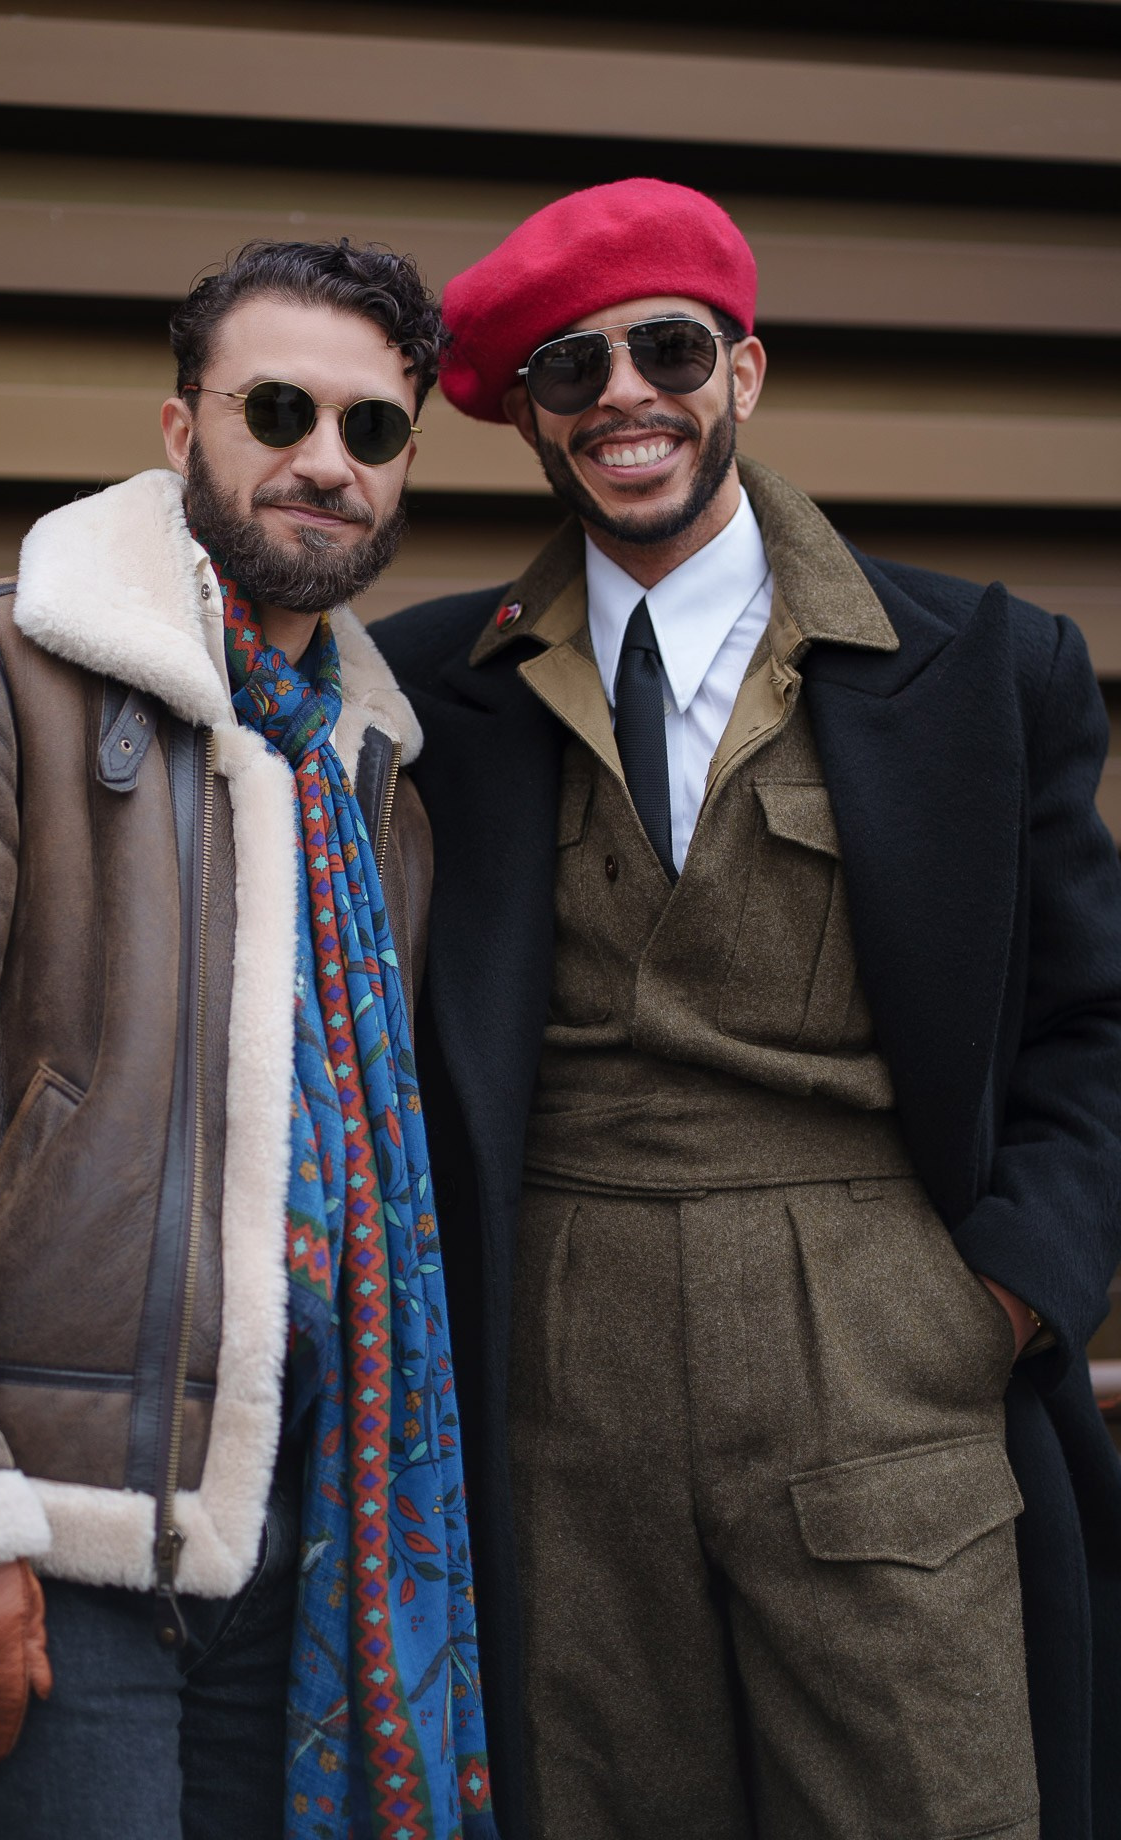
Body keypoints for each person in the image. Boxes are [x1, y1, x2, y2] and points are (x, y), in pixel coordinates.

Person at [370, 179, 1121, 1840]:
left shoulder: (985, 668)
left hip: (884, 1337)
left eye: (669, 349)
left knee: (933, 1802)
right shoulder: (426, 687)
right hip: (554, 1356)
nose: (625, 395)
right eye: (572, 372)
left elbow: (1095, 1022)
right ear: (537, 427)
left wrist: (1005, 1295)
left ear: (747, 374)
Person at [0, 238, 497, 1840]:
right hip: (53, 1540)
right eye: (276, 409)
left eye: (372, 429)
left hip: (302, 1539)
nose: (323, 462)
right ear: (175, 425)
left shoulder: (368, 779)